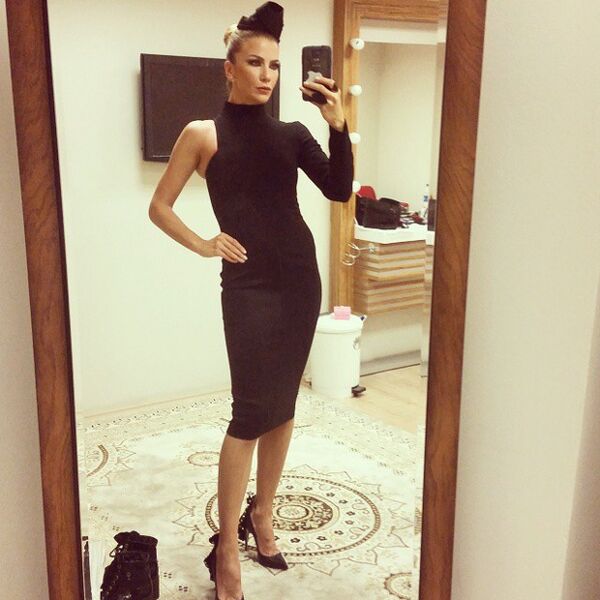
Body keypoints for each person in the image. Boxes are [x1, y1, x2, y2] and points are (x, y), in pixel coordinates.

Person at [148, 3, 353, 598]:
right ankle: (227, 551)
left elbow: (341, 189)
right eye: (256, 63)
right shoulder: (202, 135)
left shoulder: (293, 134)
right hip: (248, 287)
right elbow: (159, 206)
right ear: (229, 68)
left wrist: (338, 124)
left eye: (275, 65)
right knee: (248, 414)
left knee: (283, 407)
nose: (267, 75)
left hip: (299, 280)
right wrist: (204, 243)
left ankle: (262, 516)